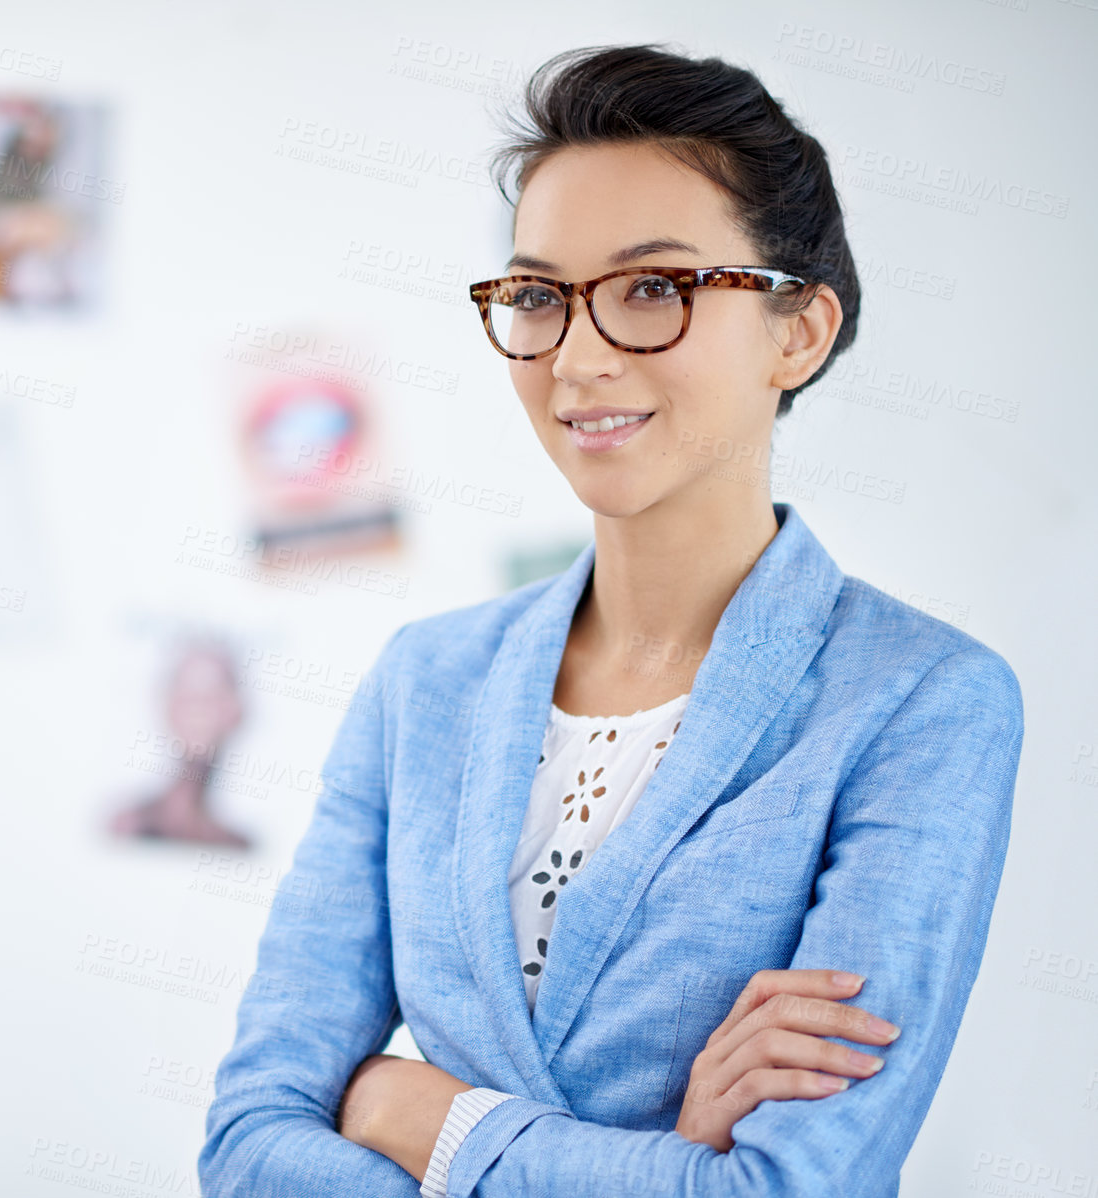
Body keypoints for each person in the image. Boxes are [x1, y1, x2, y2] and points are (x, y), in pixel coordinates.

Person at [197, 43, 1025, 1197]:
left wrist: (408, 1108)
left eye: (654, 288)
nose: (579, 357)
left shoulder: (921, 701)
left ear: (799, 331)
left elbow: (786, 1189)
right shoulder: (424, 681)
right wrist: (664, 1161)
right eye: (538, 296)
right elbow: (249, 1144)